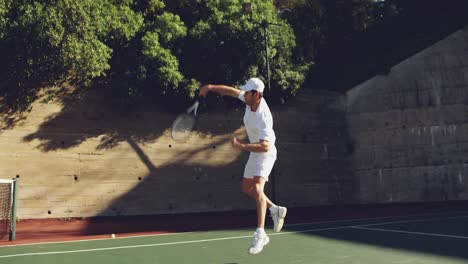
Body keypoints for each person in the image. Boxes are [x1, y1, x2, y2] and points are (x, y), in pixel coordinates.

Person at [199, 77, 287, 255]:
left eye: (248, 92)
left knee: (257, 187)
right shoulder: (249, 100)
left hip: (265, 153)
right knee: (247, 188)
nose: (244, 94)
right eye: (245, 92)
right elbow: (230, 91)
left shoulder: (263, 116)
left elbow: (266, 146)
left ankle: (261, 233)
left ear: (257, 95)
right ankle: (274, 209)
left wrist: (242, 146)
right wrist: (210, 87)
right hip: (255, 151)